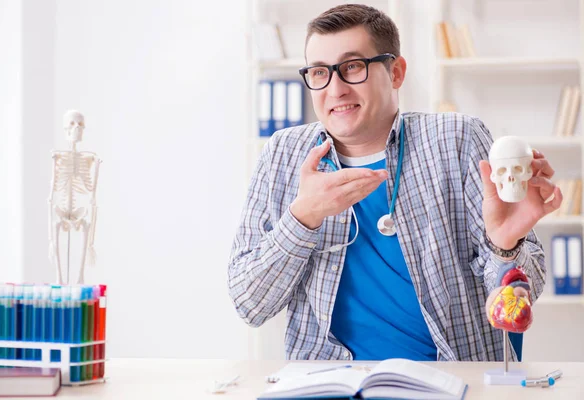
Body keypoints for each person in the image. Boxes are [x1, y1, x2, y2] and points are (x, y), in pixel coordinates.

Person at [228, 4, 562, 361]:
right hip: (327, 382)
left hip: (447, 380)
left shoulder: (457, 139)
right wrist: (302, 218)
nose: (335, 89)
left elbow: (528, 290)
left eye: (352, 67)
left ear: (396, 72)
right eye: (320, 72)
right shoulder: (283, 153)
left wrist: (505, 245)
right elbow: (250, 305)